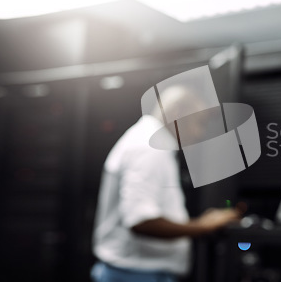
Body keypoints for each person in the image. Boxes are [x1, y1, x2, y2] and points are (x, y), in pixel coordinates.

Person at [91, 85, 240, 282]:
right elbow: (141, 221)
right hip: (136, 275)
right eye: (199, 123)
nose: (199, 133)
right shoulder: (149, 148)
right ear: (177, 113)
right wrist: (202, 226)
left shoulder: (147, 141)